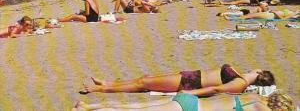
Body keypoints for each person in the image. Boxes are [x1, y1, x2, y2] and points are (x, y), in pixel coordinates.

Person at [82, 64, 275, 96]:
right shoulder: (242, 75)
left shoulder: (241, 83)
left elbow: (216, 90)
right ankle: (108, 83)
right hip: (190, 75)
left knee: (144, 84)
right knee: (145, 79)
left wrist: (191, 93)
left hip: (190, 83)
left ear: (259, 75)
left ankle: (101, 90)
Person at [72, 91, 295, 111]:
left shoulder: (255, 97)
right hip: (189, 108)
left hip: (188, 99)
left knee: (135, 106)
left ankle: (88, 106)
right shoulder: (260, 107)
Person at [224, 9, 300, 20]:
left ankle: (231, 18)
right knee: (250, 15)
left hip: (271, 15)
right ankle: (232, 17)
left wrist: (275, 12)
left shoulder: (296, 14)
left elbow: (283, 19)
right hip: (270, 13)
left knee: (250, 16)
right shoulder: (297, 11)